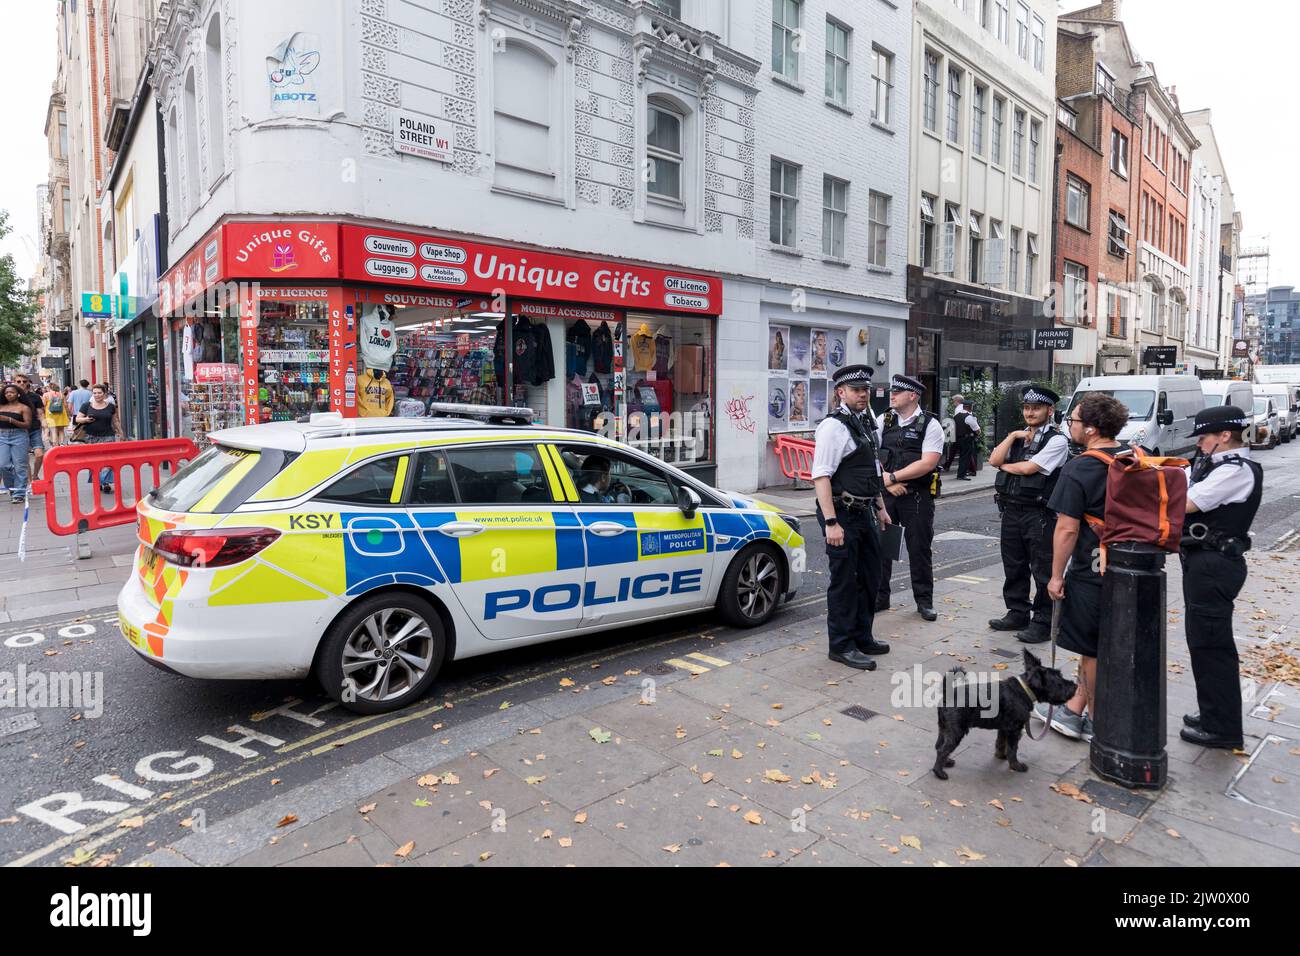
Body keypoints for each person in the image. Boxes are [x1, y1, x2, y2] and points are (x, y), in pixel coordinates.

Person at [1039, 392, 1129, 742]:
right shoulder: (1138, 456)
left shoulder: (1082, 466)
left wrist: (1056, 575)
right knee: (1107, 646)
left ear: (1090, 428)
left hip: (1094, 569)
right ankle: (1076, 707)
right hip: (1133, 568)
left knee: (1091, 647)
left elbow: (1067, 527)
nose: (1070, 426)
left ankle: (1095, 720)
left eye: (1073, 421)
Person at [1179, 405, 1262, 750]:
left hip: (1215, 565)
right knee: (1202, 642)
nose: (1199, 443)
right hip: (1205, 562)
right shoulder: (1218, 466)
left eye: (1203, 436)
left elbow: (1186, 503)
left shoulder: (1236, 470)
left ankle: (1222, 728)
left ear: (1224, 436)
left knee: (1212, 645)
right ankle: (1212, 712)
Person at [812, 364, 892, 670]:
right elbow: (820, 477)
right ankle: (841, 645)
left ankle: (862, 635)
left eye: (866, 389)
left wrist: (881, 507)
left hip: (866, 511)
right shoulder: (834, 427)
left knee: (870, 575)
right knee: (844, 581)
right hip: (841, 513)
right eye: (856, 390)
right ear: (840, 393)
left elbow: (873, 471)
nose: (863, 394)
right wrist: (831, 523)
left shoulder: (865, 423)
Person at [988, 385, 1070, 644]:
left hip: (1039, 514)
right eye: (1026, 407)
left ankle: (1043, 622)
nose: (1030, 412)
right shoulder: (1018, 436)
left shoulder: (1057, 440)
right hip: (1011, 510)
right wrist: (1012, 437)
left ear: (1050, 410)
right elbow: (993, 459)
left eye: (1036, 408)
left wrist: (1004, 465)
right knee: (1014, 565)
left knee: (1042, 569)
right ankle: (1017, 612)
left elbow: (1030, 468)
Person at [876, 374, 945, 621]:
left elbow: (928, 463)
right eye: (892, 391)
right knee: (883, 548)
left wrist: (891, 477)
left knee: (919, 550)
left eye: (898, 392)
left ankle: (924, 602)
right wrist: (886, 480)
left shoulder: (931, 424)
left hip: (917, 497)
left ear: (913, 396)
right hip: (888, 496)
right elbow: (871, 453)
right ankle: (880, 597)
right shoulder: (883, 419)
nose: (891, 395)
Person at [73, 384, 123, 493]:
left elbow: (115, 421)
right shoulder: (86, 405)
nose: (97, 395)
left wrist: (121, 433)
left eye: (99, 393)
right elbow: (77, 419)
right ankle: (98, 480)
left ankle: (104, 482)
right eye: (95, 393)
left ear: (104, 393)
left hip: (108, 436)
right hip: (91, 437)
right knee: (95, 461)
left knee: (108, 460)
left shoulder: (110, 406)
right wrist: (86, 419)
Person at [0, 384, 33, 504]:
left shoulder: (24, 408)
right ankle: (13, 489)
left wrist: (10, 420)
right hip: (2, 436)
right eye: (6, 393)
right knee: (3, 465)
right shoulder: (1, 406)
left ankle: (19, 493)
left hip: (19, 436)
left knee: (20, 466)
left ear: (18, 394)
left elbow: (27, 425)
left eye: (12, 392)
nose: (9, 394)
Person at [12, 374, 45, 482]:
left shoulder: (35, 397)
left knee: (39, 454)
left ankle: (35, 475)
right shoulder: (10, 397)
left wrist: (44, 424)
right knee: (24, 457)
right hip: (18, 430)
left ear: (28, 383)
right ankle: (30, 482)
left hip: (34, 429)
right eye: (19, 381)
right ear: (14, 382)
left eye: (24, 381)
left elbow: (40, 413)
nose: (22, 383)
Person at [952, 394, 981, 480]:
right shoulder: (969, 417)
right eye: (972, 406)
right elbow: (977, 430)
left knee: (962, 456)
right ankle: (961, 475)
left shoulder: (956, 416)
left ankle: (961, 474)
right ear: (969, 407)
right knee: (965, 457)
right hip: (967, 439)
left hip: (958, 438)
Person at [43, 383, 70, 448]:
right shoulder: (61, 395)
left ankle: (55, 445)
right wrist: (68, 414)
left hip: (50, 415)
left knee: (53, 430)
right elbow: (65, 405)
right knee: (61, 430)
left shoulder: (46, 395)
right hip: (61, 414)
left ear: (49, 387)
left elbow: (43, 405)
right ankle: (62, 443)